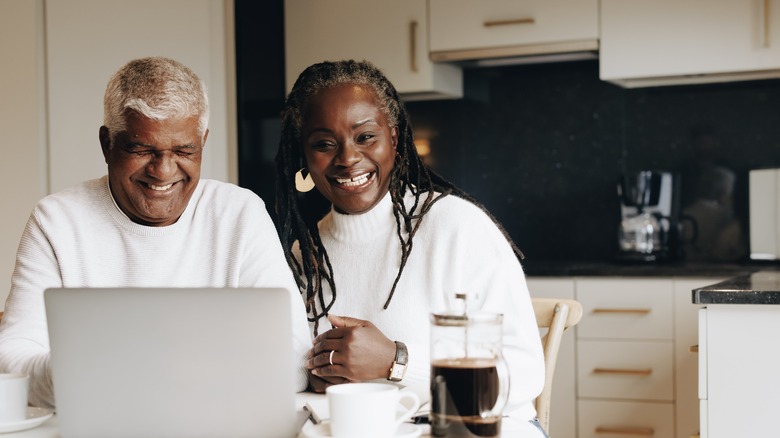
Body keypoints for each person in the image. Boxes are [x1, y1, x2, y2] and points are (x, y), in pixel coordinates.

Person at [0, 57, 310, 408]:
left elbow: (296, 353)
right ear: (107, 144)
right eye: (141, 149)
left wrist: (148, 372)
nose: (162, 171)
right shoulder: (56, 221)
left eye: (183, 150)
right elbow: (12, 361)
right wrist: (81, 373)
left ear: (203, 142)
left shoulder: (239, 213)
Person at [275, 60, 546, 436]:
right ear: (304, 157)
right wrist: (316, 373)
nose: (348, 158)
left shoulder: (456, 227)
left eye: (365, 137)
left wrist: (395, 361)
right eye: (323, 144)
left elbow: (525, 374)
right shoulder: (304, 255)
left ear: (395, 139)